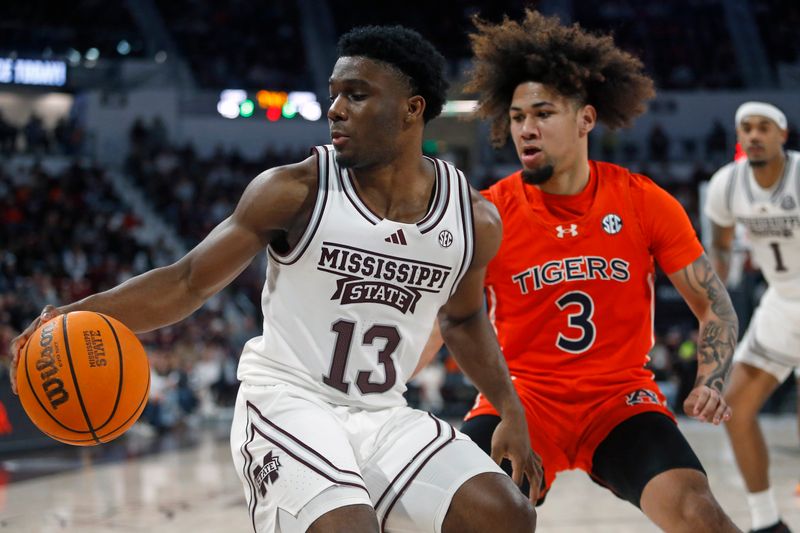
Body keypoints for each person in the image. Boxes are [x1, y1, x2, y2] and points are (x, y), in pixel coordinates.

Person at [8, 26, 538, 533]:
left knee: (505, 515)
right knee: (346, 527)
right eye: (334, 94)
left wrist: (509, 409)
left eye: (356, 94)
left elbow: (464, 317)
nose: (335, 109)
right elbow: (188, 280)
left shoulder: (471, 219)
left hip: (381, 413)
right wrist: (78, 312)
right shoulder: (294, 190)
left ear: (412, 108)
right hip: (286, 401)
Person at [455, 11, 740, 531]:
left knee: (699, 513)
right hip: (522, 401)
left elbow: (714, 306)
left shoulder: (642, 201)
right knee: (471, 514)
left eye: (543, 113)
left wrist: (713, 378)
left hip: (618, 402)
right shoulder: (489, 213)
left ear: (586, 119)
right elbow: (447, 320)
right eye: (516, 116)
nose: (526, 129)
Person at [705, 101, 798, 533]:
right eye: (747, 128)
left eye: (764, 127)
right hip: (781, 300)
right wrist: (714, 299)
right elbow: (720, 248)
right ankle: (765, 521)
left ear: (783, 134)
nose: (755, 135)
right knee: (736, 406)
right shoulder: (727, 183)